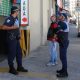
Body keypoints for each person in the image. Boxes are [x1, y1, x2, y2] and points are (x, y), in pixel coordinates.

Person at [3, 6, 28, 75]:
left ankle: (19, 67)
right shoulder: (9, 19)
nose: (18, 12)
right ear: (14, 11)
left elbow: (17, 27)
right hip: (11, 40)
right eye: (17, 11)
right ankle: (11, 68)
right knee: (12, 54)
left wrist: (19, 34)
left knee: (19, 53)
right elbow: (4, 27)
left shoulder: (16, 18)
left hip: (16, 39)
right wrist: (13, 27)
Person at [56, 13, 69, 78]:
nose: (59, 16)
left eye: (61, 16)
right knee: (62, 57)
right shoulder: (62, 22)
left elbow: (57, 29)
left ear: (63, 17)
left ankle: (65, 73)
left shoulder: (63, 23)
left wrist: (58, 30)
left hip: (64, 43)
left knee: (63, 58)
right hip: (62, 42)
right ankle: (63, 69)